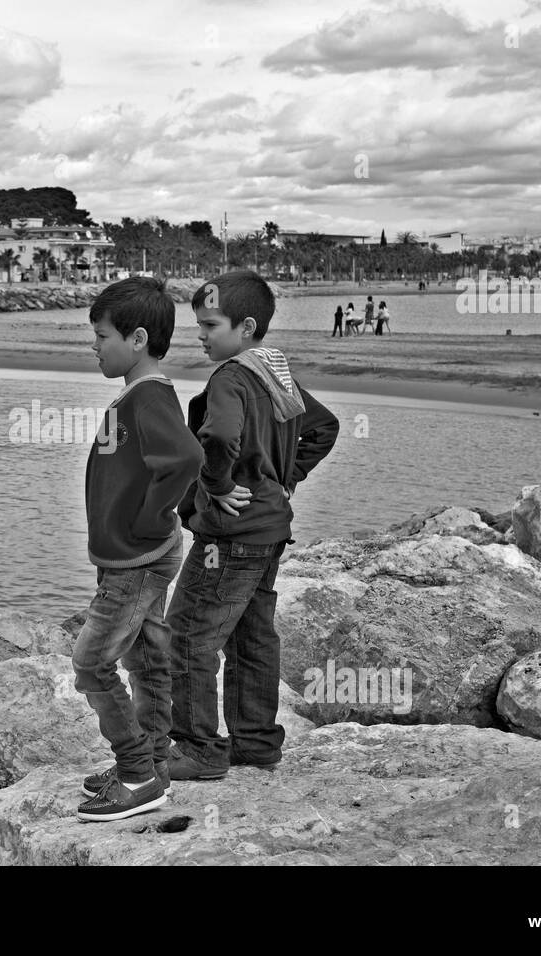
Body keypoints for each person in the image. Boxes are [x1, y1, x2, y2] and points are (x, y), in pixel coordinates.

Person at [166, 271, 339, 781]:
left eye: (209, 325)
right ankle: (257, 743)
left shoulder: (232, 378)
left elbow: (219, 436)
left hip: (231, 534)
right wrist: (284, 479)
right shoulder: (273, 371)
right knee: (251, 637)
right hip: (269, 531)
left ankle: (198, 748)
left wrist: (216, 485)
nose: (199, 334)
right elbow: (323, 427)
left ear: (245, 326)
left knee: (189, 635)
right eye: (197, 323)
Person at [73, 277, 203, 822]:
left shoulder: (148, 398)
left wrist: (149, 522)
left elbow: (186, 460)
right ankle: (153, 761)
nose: (95, 346)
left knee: (91, 662)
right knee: (146, 657)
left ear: (138, 339)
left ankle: (137, 772)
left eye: (101, 337)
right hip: (136, 554)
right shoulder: (138, 395)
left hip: (136, 559)